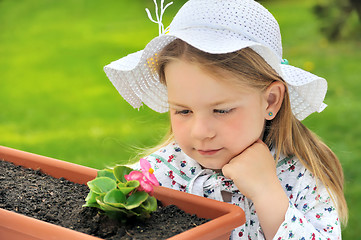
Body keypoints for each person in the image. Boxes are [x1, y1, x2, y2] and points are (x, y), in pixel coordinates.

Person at [104, 0, 348, 239]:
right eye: (183, 111)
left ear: (271, 101)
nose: (201, 132)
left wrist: (267, 193)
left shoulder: (301, 179)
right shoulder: (161, 174)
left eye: (221, 111)